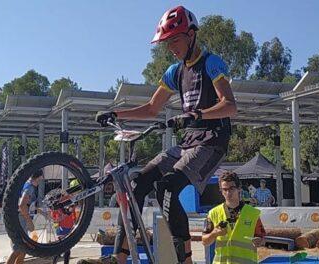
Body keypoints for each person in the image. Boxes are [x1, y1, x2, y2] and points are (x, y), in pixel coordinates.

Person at [95, 5, 236, 264]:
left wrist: (198, 114)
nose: (171, 47)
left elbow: (230, 105)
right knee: (138, 185)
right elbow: (151, 108)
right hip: (187, 142)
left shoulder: (211, 63)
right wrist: (117, 114)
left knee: (169, 188)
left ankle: (186, 260)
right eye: (166, 42)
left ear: (191, 34)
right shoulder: (174, 71)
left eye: (174, 40)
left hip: (212, 141)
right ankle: (120, 256)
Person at [202, 171, 266, 264]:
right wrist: (214, 234)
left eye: (231, 188)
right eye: (225, 189)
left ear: (239, 188)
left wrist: (259, 241)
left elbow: (262, 238)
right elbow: (205, 241)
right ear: (221, 191)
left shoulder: (252, 213)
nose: (228, 193)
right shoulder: (213, 213)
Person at [6, 169, 44, 264]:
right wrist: (29, 221)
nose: (40, 181)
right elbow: (22, 205)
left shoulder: (25, 184)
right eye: (40, 179)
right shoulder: (30, 187)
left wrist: (43, 213)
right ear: (37, 178)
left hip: (18, 218)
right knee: (18, 249)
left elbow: (28, 206)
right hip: (20, 219)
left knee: (24, 249)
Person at [51, 179, 80, 264]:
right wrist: (58, 220)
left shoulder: (72, 199)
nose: (77, 194)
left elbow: (73, 212)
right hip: (62, 226)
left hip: (68, 226)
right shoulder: (63, 199)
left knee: (66, 249)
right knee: (63, 248)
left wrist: (74, 221)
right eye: (77, 191)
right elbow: (55, 211)